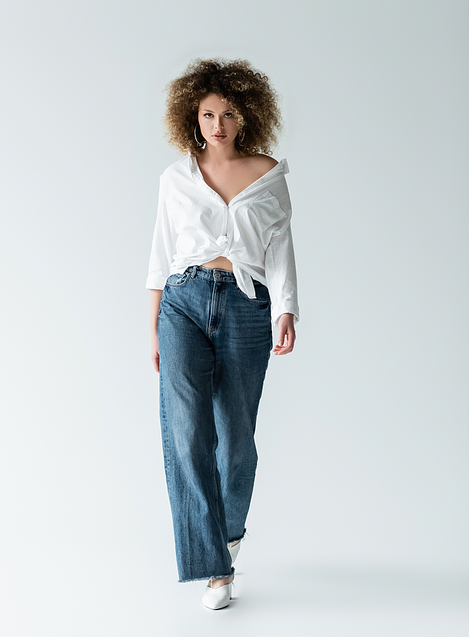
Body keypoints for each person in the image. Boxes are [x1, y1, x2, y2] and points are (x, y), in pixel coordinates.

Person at [146, 58, 298, 610]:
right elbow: (160, 253)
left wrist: (287, 309)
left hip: (246, 306)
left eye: (228, 114)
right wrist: (155, 326)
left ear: (245, 116)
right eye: (208, 114)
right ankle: (214, 565)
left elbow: (280, 249)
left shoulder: (269, 174)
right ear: (193, 117)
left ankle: (227, 533)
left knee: (236, 442)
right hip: (183, 303)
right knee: (187, 432)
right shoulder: (175, 179)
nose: (217, 124)